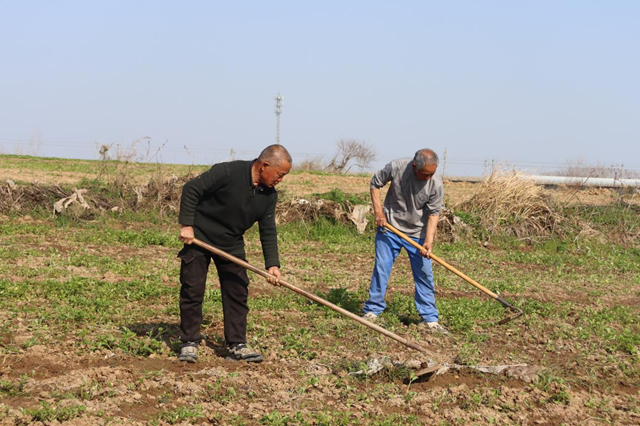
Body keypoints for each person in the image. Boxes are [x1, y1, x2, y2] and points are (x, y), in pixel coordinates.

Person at [176, 144, 292, 363]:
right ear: (265, 165)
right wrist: (187, 225)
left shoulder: (269, 195)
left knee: (237, 291)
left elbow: (268, 229)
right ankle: (189, 342)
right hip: (200, 237)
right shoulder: (227, 172)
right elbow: (191, 189)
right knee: (193, 289)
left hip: (231, 243)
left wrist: (273, 264)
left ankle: (237, 344)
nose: (280, 180)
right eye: (280, 174)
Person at [362, 149, 449, 333]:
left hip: (417, 233)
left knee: (425, 274)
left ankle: (429, 319)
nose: (428, 178)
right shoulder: (397, 167)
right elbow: (375, 184)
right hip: (390, 227)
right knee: (382, 268)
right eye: (425, 174)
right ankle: (372, 310)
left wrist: (429, 241)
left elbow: (434, 214)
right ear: (415, 166)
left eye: (432, 174)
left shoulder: (436, 184)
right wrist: (379, 212)